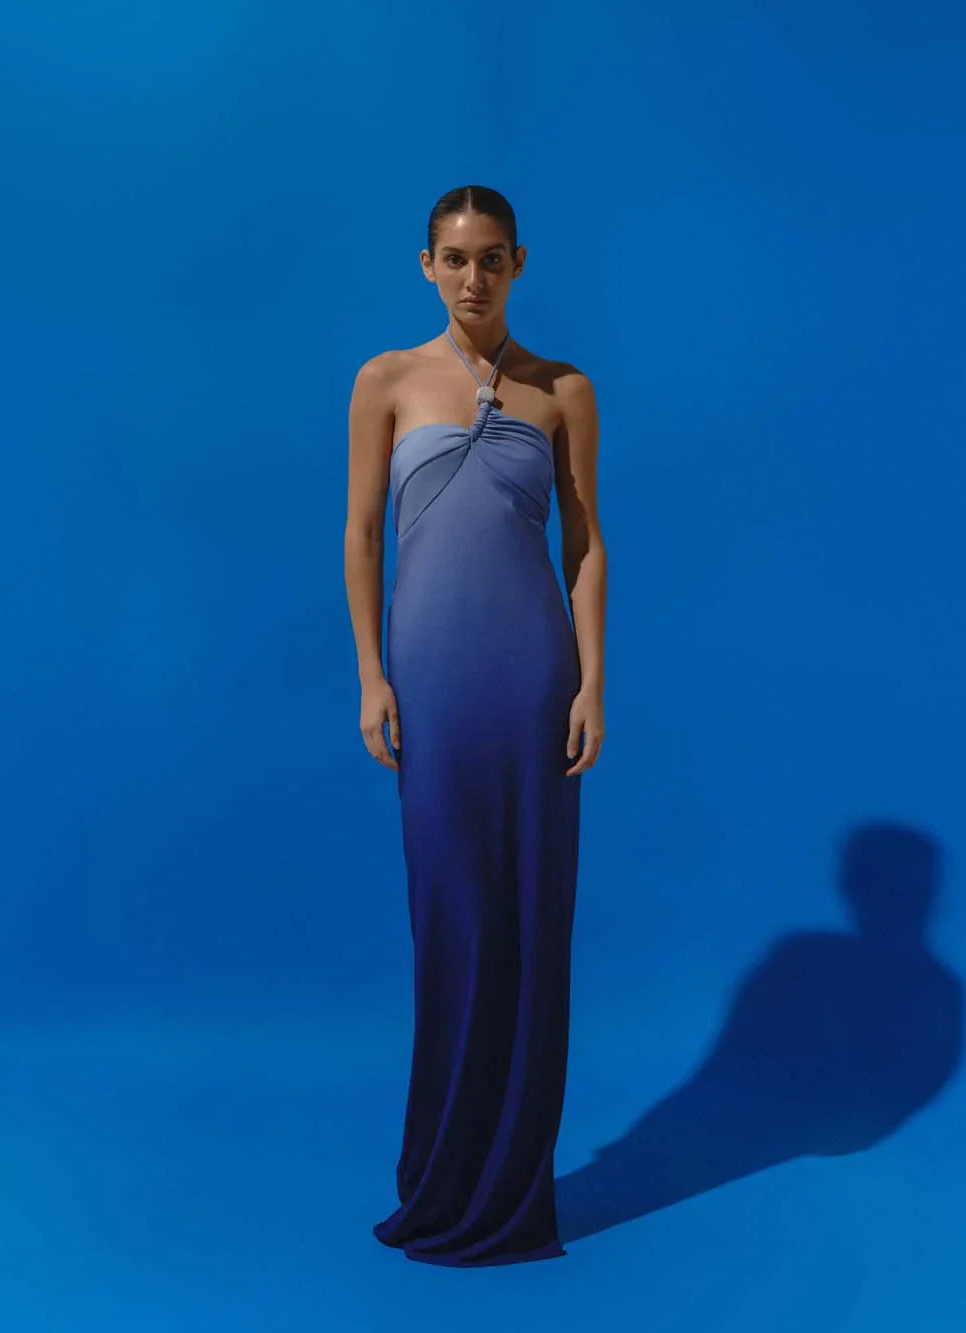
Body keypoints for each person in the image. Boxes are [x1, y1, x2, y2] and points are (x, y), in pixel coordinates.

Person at [344, 184, 607, 1266]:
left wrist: (592, 683)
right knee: (451, 916)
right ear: (426, 265)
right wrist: (373, 675)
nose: (472, 278)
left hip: (534, 681)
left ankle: (513, 1197)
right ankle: (444, 1180)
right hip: (433, 683)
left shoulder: (563, 389)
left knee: (532, 919)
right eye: (454, 259)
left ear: (518, 264)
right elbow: (364, 536)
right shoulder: (386, 381)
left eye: (491, 258)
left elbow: (584, 545)